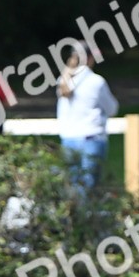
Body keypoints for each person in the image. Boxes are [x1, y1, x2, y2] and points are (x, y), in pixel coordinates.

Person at [55, 43, 118, 191]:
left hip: (68, 139)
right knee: (89, 188)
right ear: (90, 58)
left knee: (71, 186)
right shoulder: (96, 81)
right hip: (91, 139)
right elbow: (112, 109)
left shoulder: (63, 81)